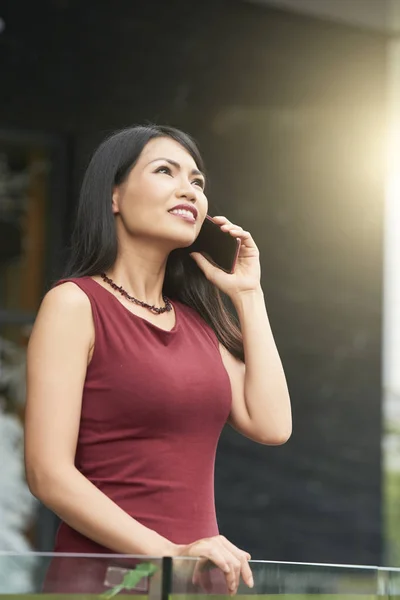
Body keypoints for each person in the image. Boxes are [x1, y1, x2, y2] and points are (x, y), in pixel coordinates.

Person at [24, 125, 291, 594]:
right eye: (165, 171)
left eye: (197, 181)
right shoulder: (75, 304)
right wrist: (171, 553)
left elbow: (272, 425)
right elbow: (48, 474)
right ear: (114, 197)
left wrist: (249, 295)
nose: (188, 188)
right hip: (104, 582)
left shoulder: (198, 321)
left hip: (194, 579)